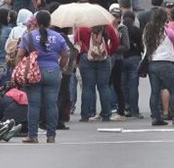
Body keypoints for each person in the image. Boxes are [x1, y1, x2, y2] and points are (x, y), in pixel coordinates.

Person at [20, 10, 69, 143]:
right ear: (50, 22)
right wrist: (59, 66)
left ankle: (33, 135)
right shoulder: (58, 37)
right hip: (53, 71)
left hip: (34, 73)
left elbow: (19, 55)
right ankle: (51, 136)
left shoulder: (28, 37)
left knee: (34, 105)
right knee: (51, 105)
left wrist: (21, 69)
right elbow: (65, 55)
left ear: (36, 22)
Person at [76, 22, 120, 122]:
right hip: (103, 59)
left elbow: (77, 44)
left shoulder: (82, 28)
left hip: (86, 58)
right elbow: (116, 42)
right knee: (104, 87)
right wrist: (108, 52)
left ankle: (85, 114)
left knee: (87, 87)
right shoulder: (107, 27)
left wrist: (78, 60)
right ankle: (106, 114)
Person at [144, 8, 174, 126]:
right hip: (166, 63)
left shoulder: (147, 30)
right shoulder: (165, 30)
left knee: (155, 92)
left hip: (152, 63)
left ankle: (156, 117)